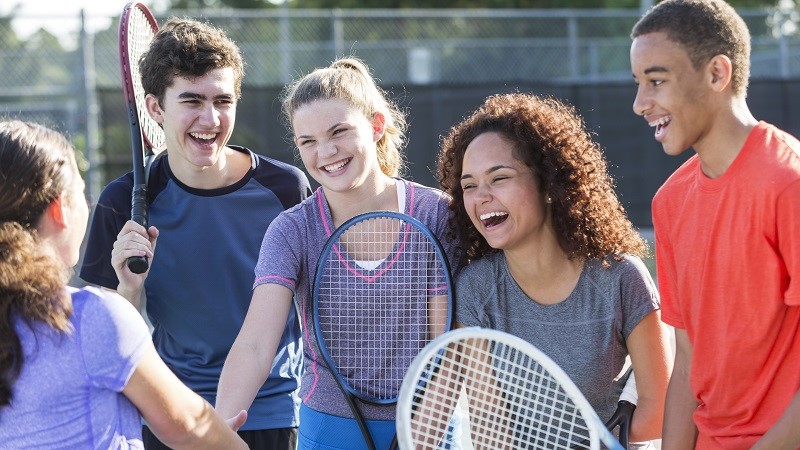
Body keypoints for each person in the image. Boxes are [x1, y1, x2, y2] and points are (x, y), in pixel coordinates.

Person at [79, 18, 311, 450]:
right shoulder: (121, 201)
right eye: (192, 101)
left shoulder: (287, 188)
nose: (211, 118)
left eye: (223, 100)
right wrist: (129, 291)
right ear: (154, 108)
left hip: (274, 409)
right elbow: (106, 344)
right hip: (172, 414)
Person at [215, 56, 461, 450]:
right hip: (329, 428)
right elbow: (256, 344)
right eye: (307, 141)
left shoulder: (436, 214)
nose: (325, 152)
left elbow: (445, 351)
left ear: (376, 126)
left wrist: (419, 439)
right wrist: (218, 428)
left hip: (426, 424)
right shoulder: (292, 230)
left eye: (339, 132)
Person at [436, 92, 672, 445]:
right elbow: (488, 424)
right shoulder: (476, 289)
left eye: (499, 178)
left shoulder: (621, 278)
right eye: (469, 186)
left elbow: (660, 409)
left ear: (549, 184)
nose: (480, 196)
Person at [0, 119, 249, 449]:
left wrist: (129, 290)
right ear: (60, 208)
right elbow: (188, 427)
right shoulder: (90, 318)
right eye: (80, 193)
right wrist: (223, 438)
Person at [630, 0, 800, 448]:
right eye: (638, 83)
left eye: (656, 81)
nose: (640, 103)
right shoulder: (669, 202)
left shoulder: (789, 183)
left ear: (717, 74)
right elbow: (686, 361)